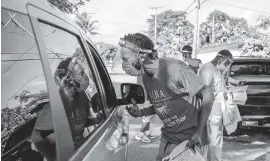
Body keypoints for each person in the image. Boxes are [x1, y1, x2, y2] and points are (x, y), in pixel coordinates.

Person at [119, 33, 215, 161]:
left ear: (141, 55)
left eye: (125, 59)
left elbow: (207, 93)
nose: (124, 64)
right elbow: (162, 104)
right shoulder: (146, 75)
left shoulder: (173, 68)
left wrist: (198, 132)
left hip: (190, 140)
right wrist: (140, 112)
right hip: (168, 137)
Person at [31, 57, 103, 161]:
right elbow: (36, 137)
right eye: (81, 73)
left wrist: (96, 120)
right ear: (69, 79)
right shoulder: (56, 102)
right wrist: (53, 158)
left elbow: (82, 121)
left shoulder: (82, 96)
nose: (86, 77)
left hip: (80, 151)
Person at [198, 49, 238, 161]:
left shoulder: (216, 70)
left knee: (217, 138)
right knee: (213, 140)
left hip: (218, 109)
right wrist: (221, 95)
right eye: (226, 63)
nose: (226, 66)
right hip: (210, 111)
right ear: (220, 58)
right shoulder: (207, 69)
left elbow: (218, 86)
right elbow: (203, 92)